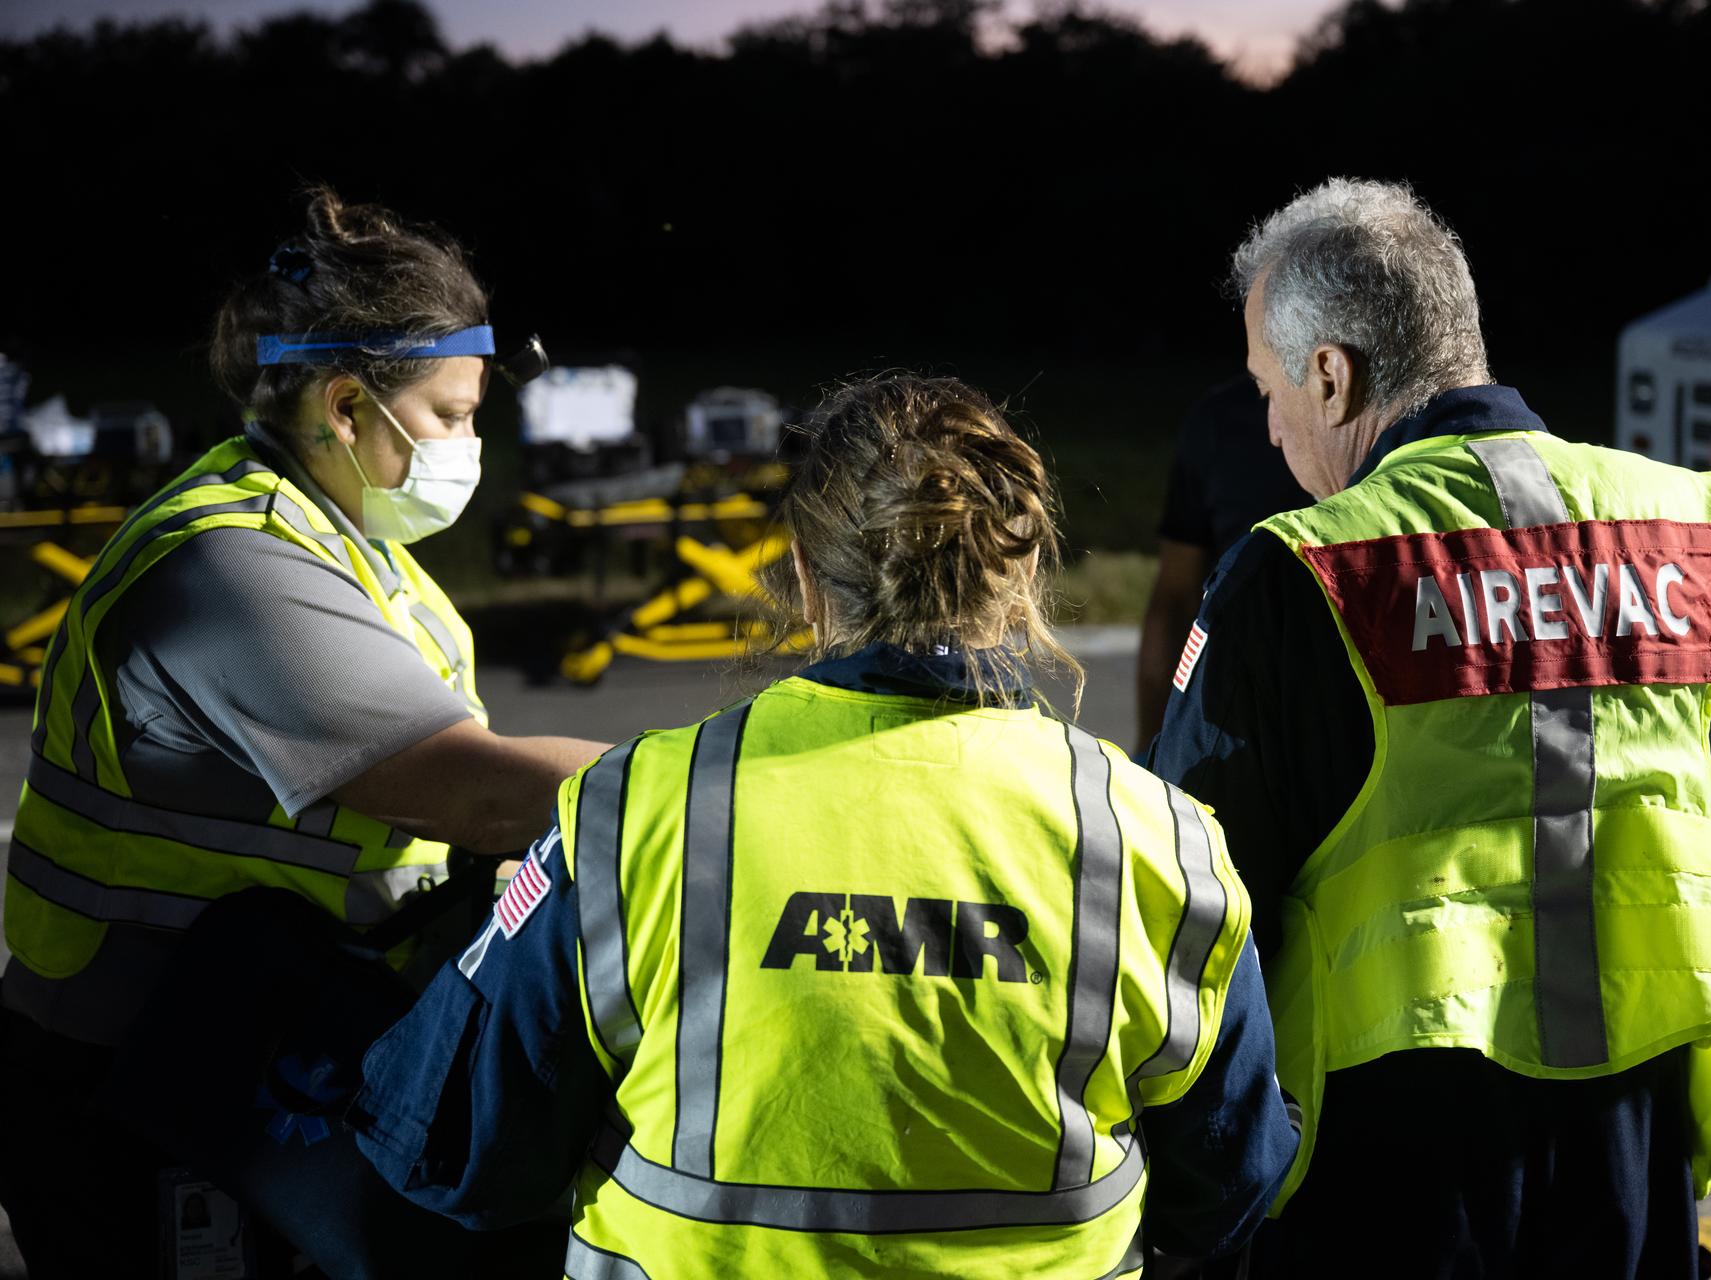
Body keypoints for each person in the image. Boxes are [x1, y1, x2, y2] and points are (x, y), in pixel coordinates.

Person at [348, 372, 1298, 1277]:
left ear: (805, 578)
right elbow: (1227, 1184)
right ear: (1021, 581)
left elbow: (459, 1153)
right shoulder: (1156, 838)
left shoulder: (636, 810)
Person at [1149, 180, 1711, 1278]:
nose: (1267, 424)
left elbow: (1200, 904)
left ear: (1331, 372)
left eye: (1270, 387)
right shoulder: (1694, 532)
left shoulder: (1299, 574)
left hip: (1384, 1160)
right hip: (1639, 1137)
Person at [0, 188, 609, 1277]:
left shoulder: (343, 538)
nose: (473, 441)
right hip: (146, 1078)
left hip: (249, 1039)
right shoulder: (234, 561)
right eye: (451, 413)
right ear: (346, 405)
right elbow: (469, 788)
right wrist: (722, 781)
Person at [1136, 375, 1311, 752]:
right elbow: (1176, 596)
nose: (1275, 432)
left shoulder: (1390, 427)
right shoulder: (1221, 418)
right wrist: (1151, 746)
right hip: (1235, 720)